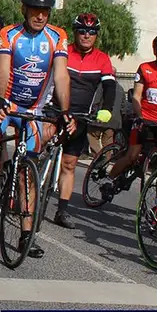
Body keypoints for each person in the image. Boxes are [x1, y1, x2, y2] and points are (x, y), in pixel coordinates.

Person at [0, 0, 71, 260]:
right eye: (35, 11)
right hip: (7, 102)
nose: (40, 16)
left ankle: (27, 235)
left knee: (28, 171)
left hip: (36, 107)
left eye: (45, 12)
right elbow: (2, 71)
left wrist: (65, 110)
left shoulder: (57, 37)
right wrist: (1, 99)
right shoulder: (9, 35)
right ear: (24, 10)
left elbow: (61, 76)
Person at [54, 13, 116, 228]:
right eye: (82, 31)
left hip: (81, 115)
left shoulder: (102, 58)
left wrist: (106, 109)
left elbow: (109, 87)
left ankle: (62, 211)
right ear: (75, 32)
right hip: (55, 111)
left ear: (96, 35)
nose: (87, 35)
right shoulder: (63, 52)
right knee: (39, 149)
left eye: (91, 32)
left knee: (69, 164)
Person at [105, 33, 157, 189]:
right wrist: (140, 116)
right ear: (155, 50)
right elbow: (137, 96)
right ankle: (109, 180)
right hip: (145, 119)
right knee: (132, 155)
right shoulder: (145, 68)